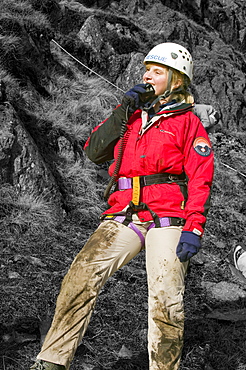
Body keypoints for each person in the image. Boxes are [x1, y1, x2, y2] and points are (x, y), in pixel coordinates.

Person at [29, 42, 214, 370]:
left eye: (157, 71)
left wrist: (194, 226)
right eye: (147, 69)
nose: (147, 75)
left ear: (176, 79)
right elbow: (94, 151)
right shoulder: (130, 116)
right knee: (81, 274)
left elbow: (201, 178)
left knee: (167, 297)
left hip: (169, 216)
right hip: (124, 212)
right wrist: (122, 111)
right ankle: (52, 361)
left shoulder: (189, 124)